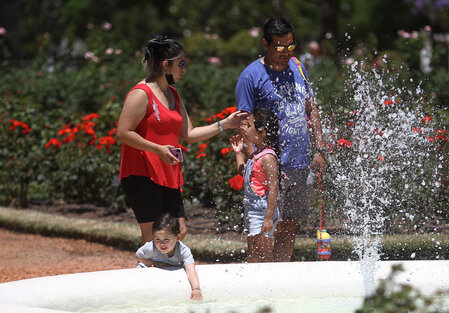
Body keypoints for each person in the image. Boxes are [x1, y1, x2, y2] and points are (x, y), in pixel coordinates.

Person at [116, 34, 246, 245]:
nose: (184, 69)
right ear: (166, 65)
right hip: (142, 172)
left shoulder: (173, 95)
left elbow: (189, 134)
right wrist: (158, 149)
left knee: (179, 230)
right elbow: (123, 133)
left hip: (168, 173)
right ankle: (147, 272)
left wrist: (225, 124)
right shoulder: (141, 94)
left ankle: (158, 271)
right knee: (154, 237)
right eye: (181, 64)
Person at [235, 18, 327, 262]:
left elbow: (311, 108)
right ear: (265, 44)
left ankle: (281, 285)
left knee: (287, 227)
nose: (286, 53)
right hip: (269, 166)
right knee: (262, 230)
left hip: (298, 163)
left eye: (290, 46)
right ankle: (257, 284)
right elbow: (244, 123)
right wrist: (249, 161)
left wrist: (320, 149)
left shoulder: (298, 66)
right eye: (279, 47)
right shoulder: (251, 77)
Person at [230, 109, 280, 263]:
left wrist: (269, 218)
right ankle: (256, 284)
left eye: (249, 126)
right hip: (253, 210)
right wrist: (238, 153)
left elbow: (273, 188)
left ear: (262, 131)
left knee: (263, 253)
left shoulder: (267, 158)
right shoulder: (256, 155)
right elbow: (244, 173)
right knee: (252, 253)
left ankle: (270, 283)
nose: (245, 129)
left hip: (263, 211)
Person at [136, 213, 202, 300]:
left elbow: (190, 269)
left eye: (166, 239)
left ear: (178, 237)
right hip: (149, 276)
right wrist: (152, 263)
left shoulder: (183, 251)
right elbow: (138, 256)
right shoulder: (151, 247)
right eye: (157, 239)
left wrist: (196, 288)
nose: (162, 243)